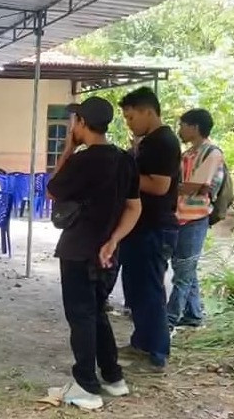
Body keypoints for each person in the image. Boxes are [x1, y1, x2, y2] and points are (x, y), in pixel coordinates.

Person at [45, 97, 142, 409]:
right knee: (96, 312)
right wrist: (114, 240)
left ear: (81, 124)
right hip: (108, 252)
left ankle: (85, 386)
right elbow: (134, 207)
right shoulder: (125, 159)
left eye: (75, 122)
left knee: (81, 316)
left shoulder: (83, 160)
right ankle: (113, 378)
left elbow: (52, 189)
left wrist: (70, 148)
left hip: (78, 250)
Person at [117, 87, 181, 372]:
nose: (129, 123)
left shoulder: (163, 142)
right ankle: (141, 342)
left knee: (150, 290)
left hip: (155, 227)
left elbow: (159, 185)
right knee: (136, 288)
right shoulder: (148, 141)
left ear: (147, 111)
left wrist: (126, 173)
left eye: (131, 117)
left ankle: (157, 350)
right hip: (139, 226)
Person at [168, 109, 223, 334]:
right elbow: (189, 185)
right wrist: (186, 187)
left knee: (182, 273)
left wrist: (177, 187)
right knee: (184, 267)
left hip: (196, 218)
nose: (180, 130)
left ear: (195, 127)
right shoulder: (188, 154)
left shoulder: (212, 153)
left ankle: (168, 320)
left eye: (183, 125)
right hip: (181, 216)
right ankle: (193, 315)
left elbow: (191, 185)